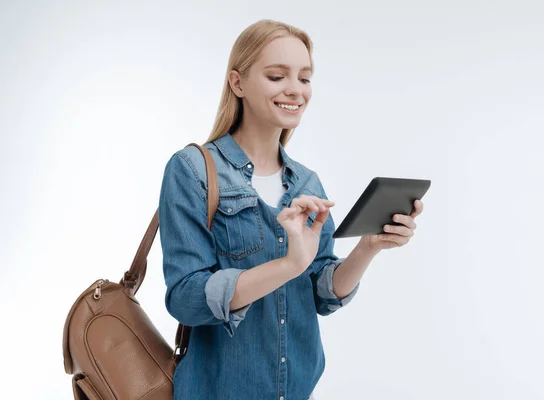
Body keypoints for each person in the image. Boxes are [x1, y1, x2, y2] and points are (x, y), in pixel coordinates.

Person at [158, 19, 424, 400]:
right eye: (276, 76)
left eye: (304, 78)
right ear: (238, 83)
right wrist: (287, 265)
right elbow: (186, 299)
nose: (295, 90)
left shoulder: (306, 183)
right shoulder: (192, 170)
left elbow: (321, 292)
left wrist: (369, 247)